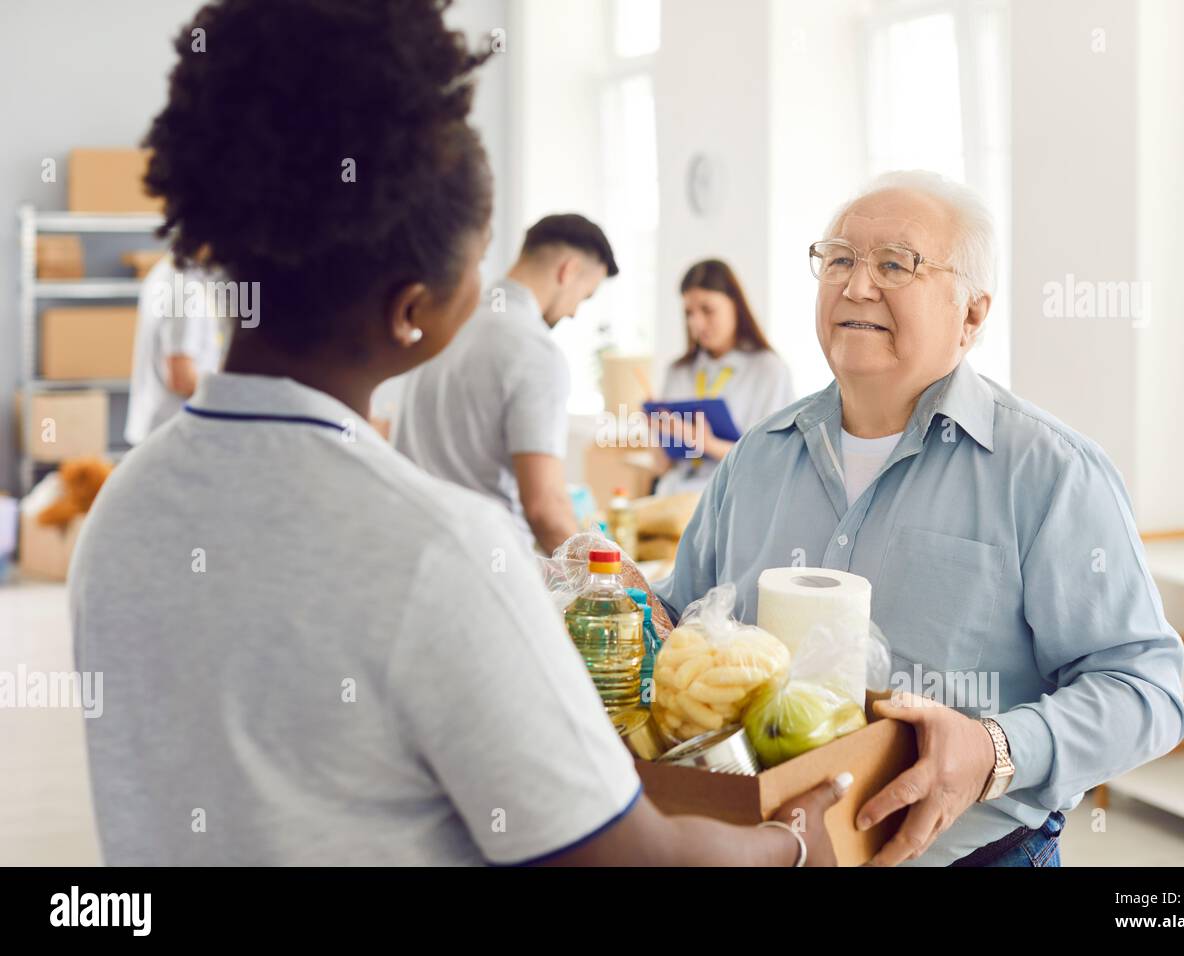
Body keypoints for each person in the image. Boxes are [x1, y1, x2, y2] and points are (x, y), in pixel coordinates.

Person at [70, 0, 846, 868]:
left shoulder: (121, 510)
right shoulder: (441, 551)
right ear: (412, 309)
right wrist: (793, 842)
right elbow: (634, 859)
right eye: (478, 261)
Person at [655, 170, 1184, 867]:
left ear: (971, 314)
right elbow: (680, 619)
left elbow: (1146, 689)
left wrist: (994, 750)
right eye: (839, 258)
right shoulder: (757, 456)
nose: (856, 286)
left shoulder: (1049, 471)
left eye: (894, 263)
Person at [392, 214, 617, 554]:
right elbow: (546, 510)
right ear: (568, 270)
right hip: (488, 564)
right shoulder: (535, 349)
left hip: (417, 550)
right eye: (584, 297)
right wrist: (607, 585)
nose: (574, 313)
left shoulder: (446, 322)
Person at [651, 259, 795, 495]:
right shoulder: (677, 371)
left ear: (735, 306)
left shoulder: (769, 370)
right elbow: (663, 468)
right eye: (689, 313)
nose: (696, 323)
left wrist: (707, 444)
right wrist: (655, 432)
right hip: (674, 499)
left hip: (734, 498)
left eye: (707, 310)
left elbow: (771, 463)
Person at [123, 251, 225, 445]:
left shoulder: (166, 270)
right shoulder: (187, 288)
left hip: (159, 431)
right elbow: (182, 378)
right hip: (175, 435)